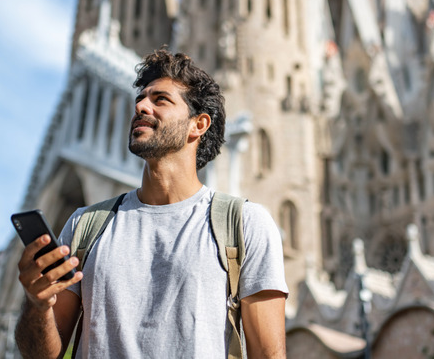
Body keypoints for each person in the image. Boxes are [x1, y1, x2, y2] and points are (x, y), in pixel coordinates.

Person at [14, 49, 288, 358]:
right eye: (140, 99)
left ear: (198, 125)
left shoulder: (243, 224)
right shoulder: (86, 226)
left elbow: (269, 354)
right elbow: (42, 355)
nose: (141, 106)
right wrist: (36, 304)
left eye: (161, 100)